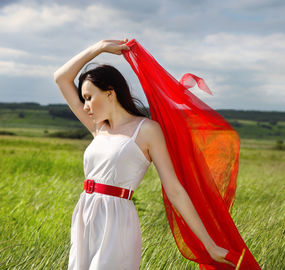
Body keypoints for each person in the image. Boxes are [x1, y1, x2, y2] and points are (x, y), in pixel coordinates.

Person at [54, 39, 234, 269]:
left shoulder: (147, 130)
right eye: (84, 99)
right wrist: (99, 47)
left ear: (110, 93)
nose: (85, 106)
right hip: (85, 215)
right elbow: (61, 78)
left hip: (117, 221)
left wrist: (209, 245)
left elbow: (174, 189)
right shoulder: (98, 128)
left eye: (89, 97)